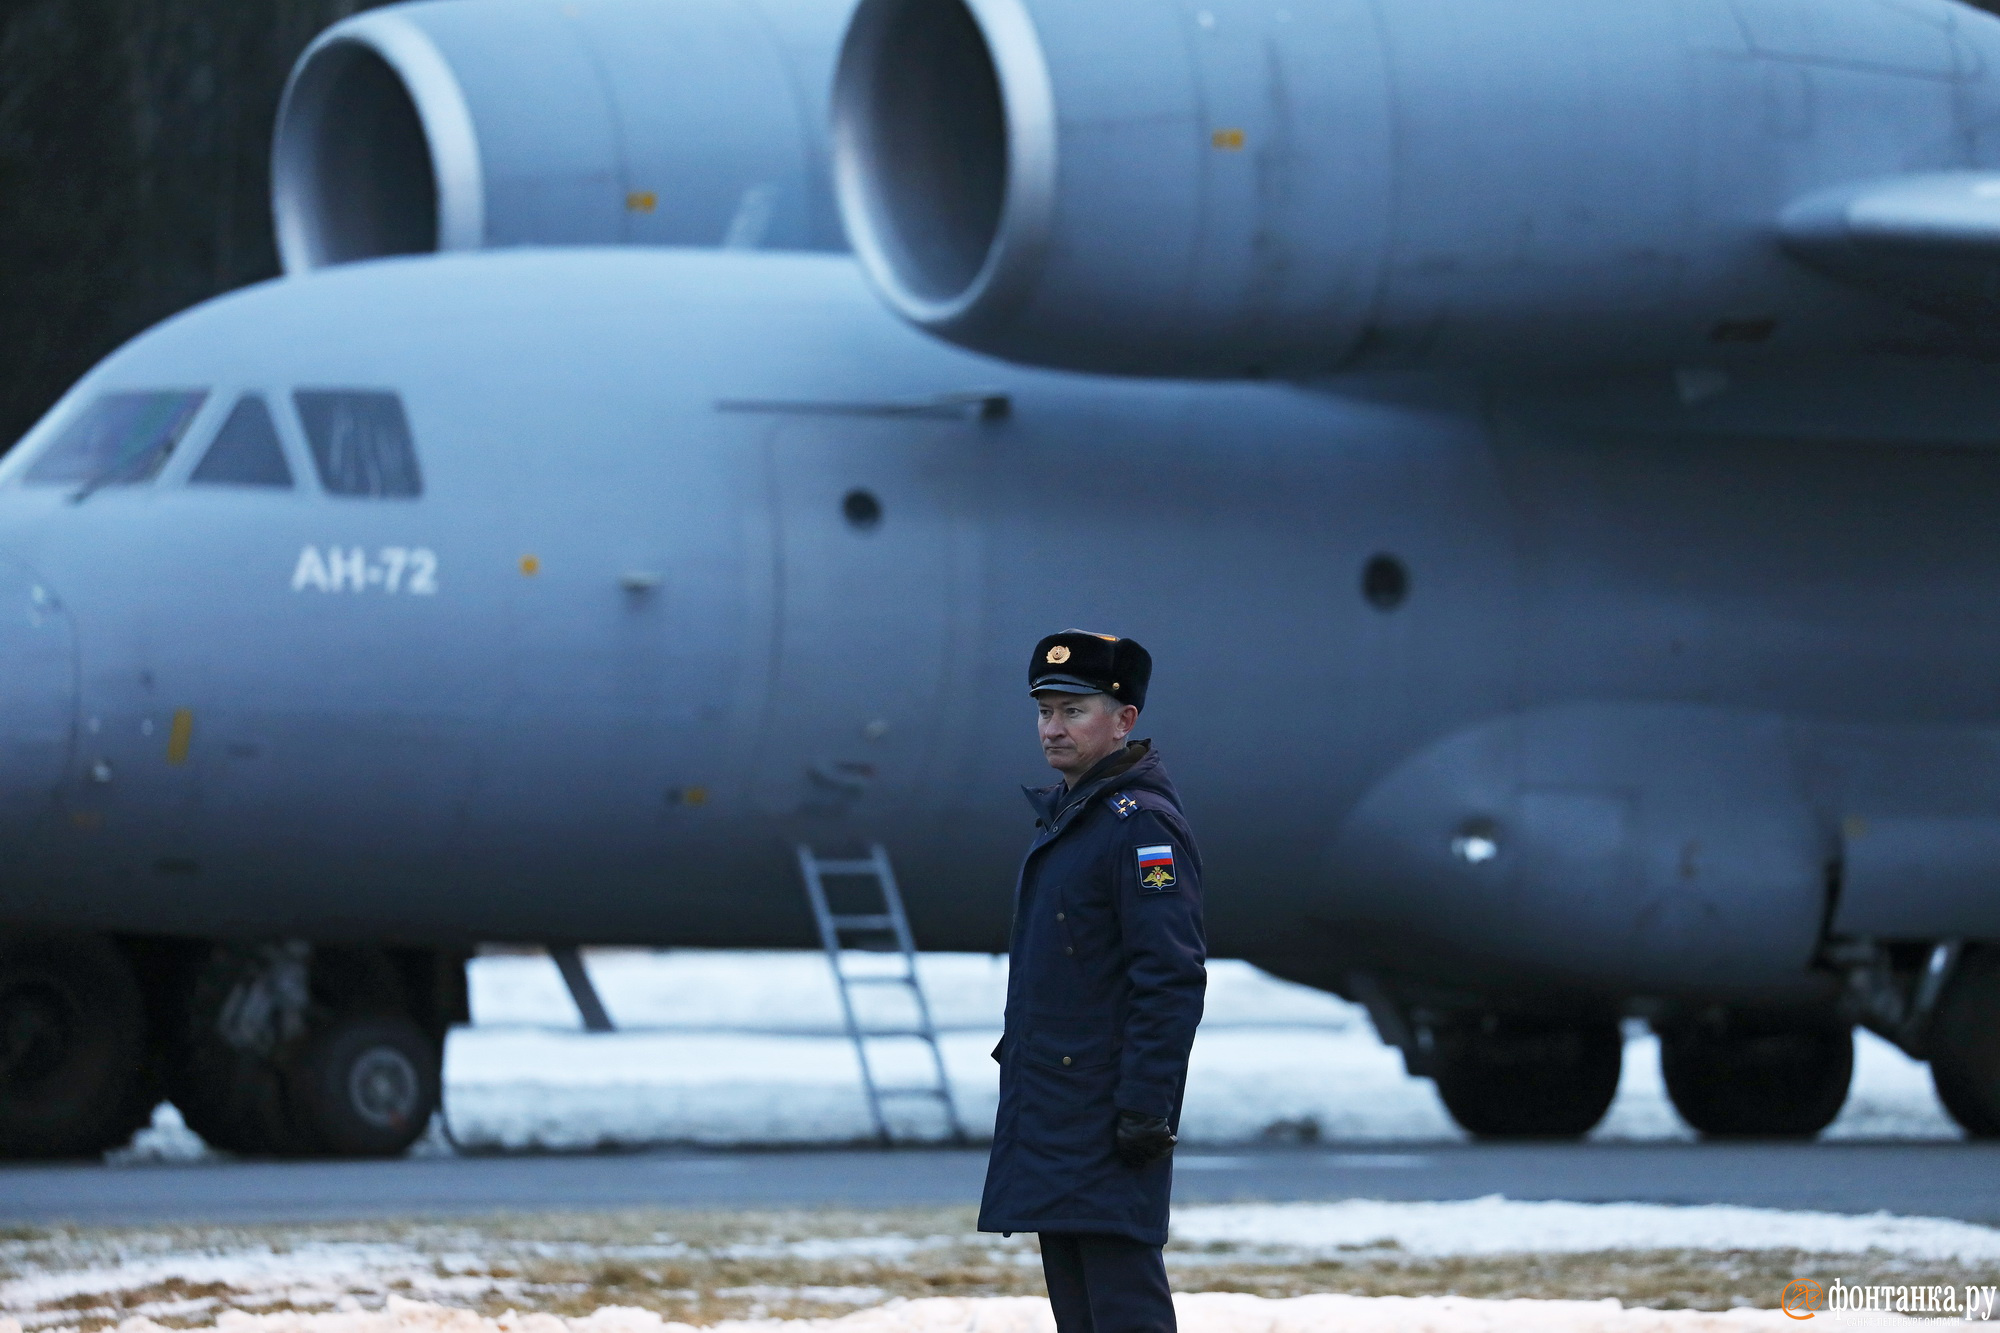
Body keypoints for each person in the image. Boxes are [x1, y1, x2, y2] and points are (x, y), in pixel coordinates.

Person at [978, 629, 1208, 1333]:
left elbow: (1170, 976)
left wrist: (1146, 1105)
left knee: (1123, 1309)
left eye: (1074, 710)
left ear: (1124, 719)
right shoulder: (1075, 818)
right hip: (1057, 1105)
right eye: (1045, 710)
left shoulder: (1141, 830)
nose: (1053, 727)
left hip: (1108, 1114)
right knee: (1080, 1312)